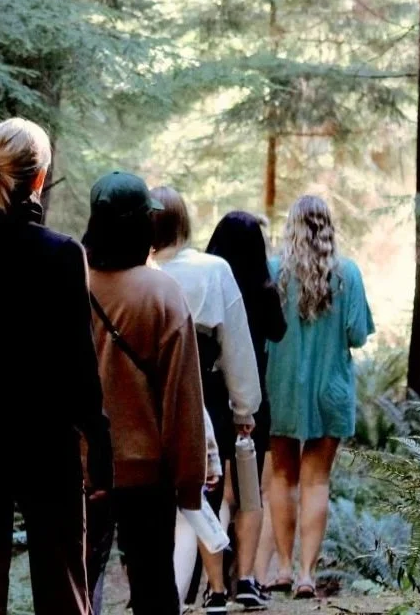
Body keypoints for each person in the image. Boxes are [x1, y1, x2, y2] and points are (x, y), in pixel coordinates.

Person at [0, 118, 112, 615]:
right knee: (64, 595)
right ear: (39, 178)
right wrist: (99, 446)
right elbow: (81, 367)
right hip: (46, 447)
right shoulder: (62, 255)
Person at [84, 171, 206, 615]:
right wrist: (189, 479)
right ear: (143, 225)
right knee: (154, 589)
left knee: (76, 588)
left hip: (81, 472)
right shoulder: (163, 294)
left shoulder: (69, 283)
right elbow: (183, 399)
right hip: (147, 475)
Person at [150, 188, 262, 613]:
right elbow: (237, 345)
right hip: (203, 395)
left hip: (140, 397)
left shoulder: (130, 271)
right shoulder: (213, 271)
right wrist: (244, 408)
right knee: (191, 501)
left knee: (149, 504)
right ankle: (173, 599)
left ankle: (163, 595)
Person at [264, 195, 374, 599]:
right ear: (329, 227)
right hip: (331, 390)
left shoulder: (273, 272)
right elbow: (357, 335)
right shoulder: (348, 274)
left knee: (281, 476)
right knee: (316, 482)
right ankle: (308, 575)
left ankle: (282, 568)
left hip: (281, 387)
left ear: (291, 227)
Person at [206, 211, 287, 605]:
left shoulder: (210, 283)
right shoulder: (263, 289)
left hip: (210, 396)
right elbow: (279, 331)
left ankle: (214, 584)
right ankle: (248, 579)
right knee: (251, 491)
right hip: (253, 400)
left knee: (214, 491)